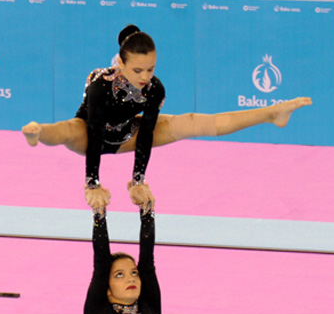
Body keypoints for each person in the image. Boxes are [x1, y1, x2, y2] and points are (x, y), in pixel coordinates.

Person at [22, 24, 312, 213]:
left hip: (129, 135)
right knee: (70, 129)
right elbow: (95, 130)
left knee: (192, 121)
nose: (146, 77)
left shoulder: (155, 88)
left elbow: (146, 133)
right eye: (138, 71)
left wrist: (138, 180)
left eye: (150, 69)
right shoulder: (100, 82)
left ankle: (272, 113)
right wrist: (92, 183)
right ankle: (37, 132)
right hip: (91, 137)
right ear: (121, 63)